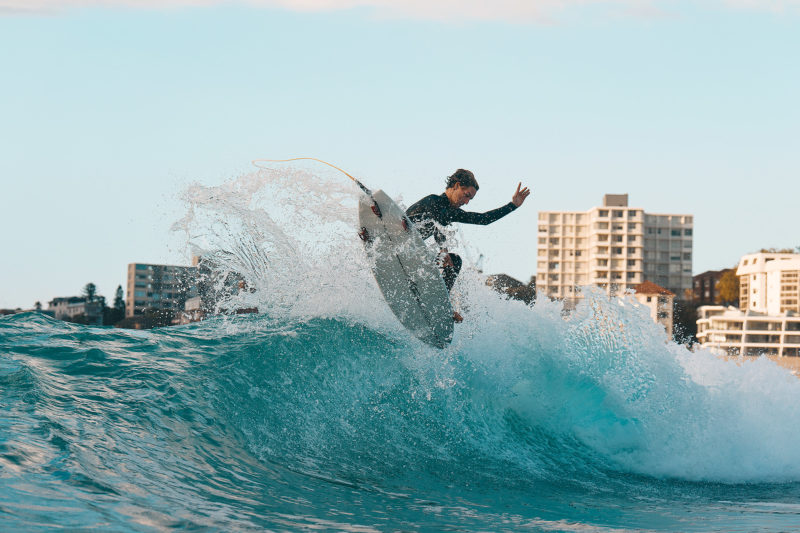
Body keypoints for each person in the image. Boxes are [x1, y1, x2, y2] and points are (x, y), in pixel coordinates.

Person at [405, 169, 531, 322]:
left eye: (470, 200)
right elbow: (436, 222)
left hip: (411, 255)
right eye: (466, 196)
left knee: (455, 261)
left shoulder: (451, 212)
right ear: (457, 185)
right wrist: (444, 251)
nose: (466, 202)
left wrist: (513, 205)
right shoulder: (433, 201)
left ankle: (440, 304)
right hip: (398, 238)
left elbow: (483, 219)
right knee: (447, 257)